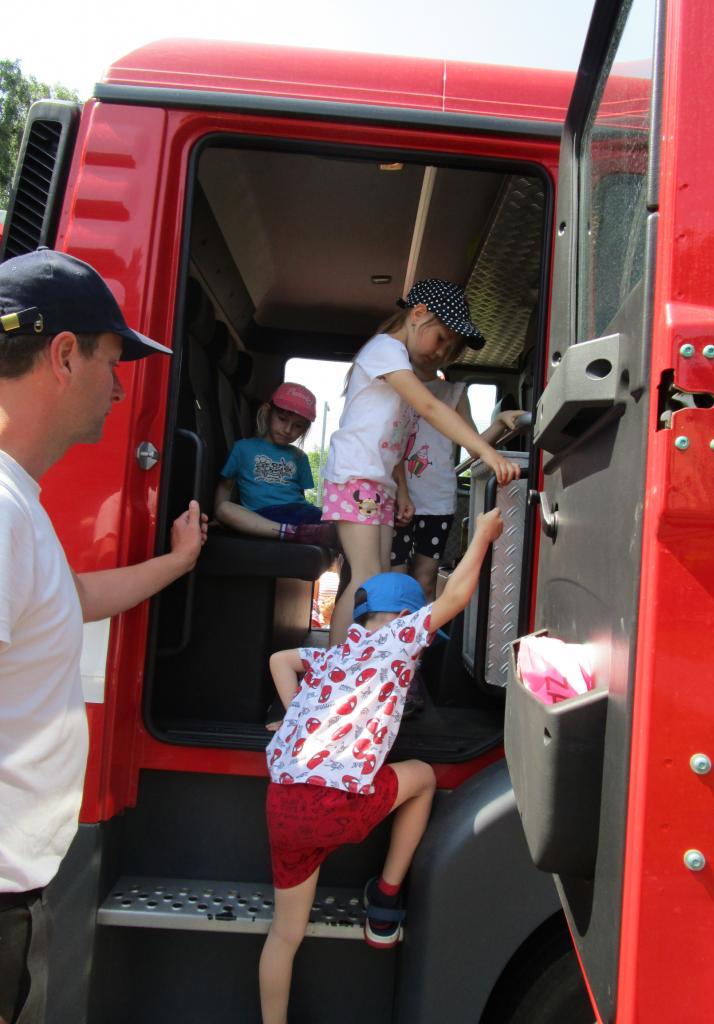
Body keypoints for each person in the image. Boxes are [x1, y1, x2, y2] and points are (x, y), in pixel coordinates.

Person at [0, 247, 208, 1024]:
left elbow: (72, 598)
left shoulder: (20, 506)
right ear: (63, 355)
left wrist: (177, 563)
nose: (121, 390)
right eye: (112, 364)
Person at [258, 507, 504, 1024]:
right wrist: (482, 533)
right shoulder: (397, 641)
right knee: (424, 778)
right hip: (337, 804)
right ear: (408, 620)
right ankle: (386, 904)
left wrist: (293, 715)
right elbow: (456, 597)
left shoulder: (335, 653)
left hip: (283, 804)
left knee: (284, 934)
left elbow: (281, 659)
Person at [321, 279, 519, 644]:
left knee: (379, 578)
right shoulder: (385, 350)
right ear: (418, 314)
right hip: (355, 477)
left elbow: (395, 445)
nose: (441, 352)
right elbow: (429, 407)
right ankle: (337, 666)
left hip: (378, 483)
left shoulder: (399, 365)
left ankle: (362, 661)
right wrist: (487, 451)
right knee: (366, 578)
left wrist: (401, 490)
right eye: (441, 338)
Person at [392, 341, 525, 600]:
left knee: (425, 579)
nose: (437, 350)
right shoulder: (396, 383)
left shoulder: (455, 392)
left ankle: (422, 628)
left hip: (437, 500)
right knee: (394, 579)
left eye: (448, 346)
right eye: (436, 340)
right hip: (397, 494)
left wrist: (499, 421)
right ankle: (393, 627)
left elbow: (475, 447)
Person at [214, 381, 335, 547]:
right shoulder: (242, 448)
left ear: (304, 430)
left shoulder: (300, 456)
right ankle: (290, 532)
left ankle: (298, 532)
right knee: (224, 509)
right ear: (267, 412)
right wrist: (218, 518)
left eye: (298, 426)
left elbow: (301, 496)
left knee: (337, 524)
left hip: (297, 512)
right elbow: (226, 486)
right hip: (259, 516)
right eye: (282, 419)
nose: (288, 430)